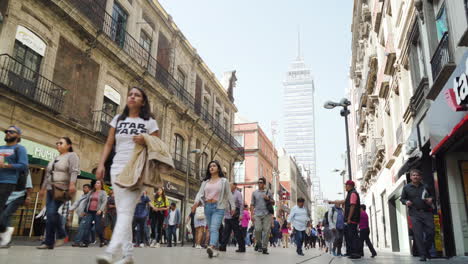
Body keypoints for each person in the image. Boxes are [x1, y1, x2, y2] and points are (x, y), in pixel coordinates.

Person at [95, 87, 160, 264]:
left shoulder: (149, 122)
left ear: (143, 101)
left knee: (124, 211)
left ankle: (110, 252)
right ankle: (128, 255)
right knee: (125, 211)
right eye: (130, 94)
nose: (132, 97)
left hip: (137, 170)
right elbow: (109, 143)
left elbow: (157, 145)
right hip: (117, 168)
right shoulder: (118, 119)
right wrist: (101, 164)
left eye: (137, 95)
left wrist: (145, 138)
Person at [37, 137, 79, 249]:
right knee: (50, 215)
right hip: (51, 189)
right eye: (57, 143)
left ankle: (61, 234)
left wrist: (72, 184)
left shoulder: (72, 155)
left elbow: (74, 171)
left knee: (51, 212)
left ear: (69, 145)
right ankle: (49, 242)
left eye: (61, 143)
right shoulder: (54, 158)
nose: (58, 144)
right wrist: (42, 189)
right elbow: (47, 175)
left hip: (62, 188)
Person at [192, 160, 235, 258]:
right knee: (211, 229)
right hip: (207, 207)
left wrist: (233, 207)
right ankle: (215, 249)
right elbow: (200, 193)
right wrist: (195, 203)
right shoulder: (206, 182)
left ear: (218, 168)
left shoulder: (224, 181)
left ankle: (211, 247)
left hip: (218, 207)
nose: (211, 167)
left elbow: (229, 194)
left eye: (214, 166)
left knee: (214, 228)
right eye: (210, 166)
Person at [0, 126, 28, 246]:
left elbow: (23, 165)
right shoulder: (1, 148)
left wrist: (7, 166)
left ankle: (4, 229)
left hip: (8, 181)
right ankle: (4, 229)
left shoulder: (19, 148)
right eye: (7, 131)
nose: (8, 133)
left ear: (18, 136)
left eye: (12, 132)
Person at [400, 169, 435, 262]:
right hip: (414, 214)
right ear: (411, 177)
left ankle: (426, 249)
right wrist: (406, 201)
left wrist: (431, 199)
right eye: (413, 175)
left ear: (420, 177)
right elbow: (402, 199)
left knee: (431, 232)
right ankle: (423, 255)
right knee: (418, 235)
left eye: (417, 175)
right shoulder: (406, 188)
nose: (415, 177)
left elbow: (433, 196)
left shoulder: (426, 186)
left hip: (427, 212)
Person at [329, 180, 361, 259]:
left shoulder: (353, 193)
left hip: (352, 219)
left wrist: (349, 218)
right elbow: (343, 201)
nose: (345, 187)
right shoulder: (349, 194)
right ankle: (350, 252)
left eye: (346, 185)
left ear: (350, 185)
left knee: (353, 237)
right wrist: (331, 202)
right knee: (350, 237)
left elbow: (352, 206)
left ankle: (356, 253)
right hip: (350, 220)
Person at [0, 170, 32, 247]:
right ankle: (6, 240)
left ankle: (5, 236)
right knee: (6, 217)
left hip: (18, 196)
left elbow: (29, 185)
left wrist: (28, 196)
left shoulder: (24, 169)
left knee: (6, 214)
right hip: (5, 195)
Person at [74, 180, 108, 248]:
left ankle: (102, 240)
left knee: (98, 228)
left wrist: (100, 210)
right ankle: (85, 242)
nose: (96, 184)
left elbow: (104, 201)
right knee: (87, 227)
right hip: (89, 212)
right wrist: (84, 210)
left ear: (101, 185)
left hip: (97, 212)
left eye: (98, 183)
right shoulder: (91, 192)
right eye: (96, 183)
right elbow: (86, 202)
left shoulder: (103, 192)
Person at [251, 177, 274, 255]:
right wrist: (251, 215)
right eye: (258, 182)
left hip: (267, 214)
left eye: (261, 182)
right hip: (257, 214)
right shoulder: (254, 193)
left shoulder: (268, 192)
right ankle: (259, 244)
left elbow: (273, 203)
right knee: (257, 229)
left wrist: (268, 198)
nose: (259, 183)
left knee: (267, 231)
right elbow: (252, 204)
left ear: (264, 184)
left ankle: (264, 247)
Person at [219, 182, 245, 253]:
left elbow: (241, 204)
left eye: (230, 185)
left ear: (235, 186)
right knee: (225, 232)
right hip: (227, 216)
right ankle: (223, 247)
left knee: (237, 233)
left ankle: (242, 248)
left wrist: (241, 215)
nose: (229, 186)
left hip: (234, 216)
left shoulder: (238, 193)